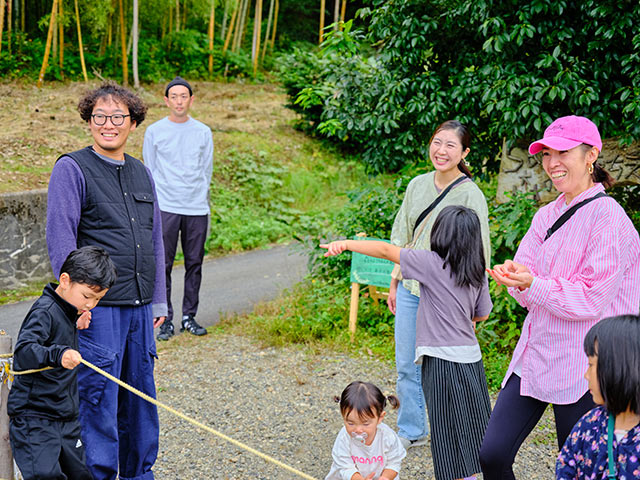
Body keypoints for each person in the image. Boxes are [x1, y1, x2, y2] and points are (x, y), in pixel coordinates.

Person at [480, 115, 640, 479]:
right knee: (492, 455)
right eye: (547, 154)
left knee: (579, 469)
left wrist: (532, 283)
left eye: (563, 152)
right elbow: (527, 284)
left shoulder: (609, 218)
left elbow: (590, 298)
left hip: (587, 364)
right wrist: (517, 281)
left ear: (591, 155)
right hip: (537, 353)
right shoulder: (545, 216)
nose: (552, 163)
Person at [46, 81, 168, 480]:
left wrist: (159, 300)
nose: (108, 124)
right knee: (96, 400)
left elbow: (154, 241)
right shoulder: (72, 168)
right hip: (97, 311)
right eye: (100, 116)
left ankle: (139, 475)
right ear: (89, 121)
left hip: (139, 309)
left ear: (133, 123)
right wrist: (73, 305)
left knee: (140, 400)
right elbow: (61, 238)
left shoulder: (142, 173)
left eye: (118, 116)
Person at [322, 204, 493, 480]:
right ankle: (474, 475)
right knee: (473, 425)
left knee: (445, 429)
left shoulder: (431, 263)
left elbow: (386, 251)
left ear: (441, 235)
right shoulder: (477, 272)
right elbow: (482, 314)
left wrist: (345, 244)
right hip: (472, 361)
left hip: (441, 362)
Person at [388, 120, 491, 449]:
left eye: (450, 145)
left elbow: (479, 253)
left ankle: (451, 432)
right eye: (437, 142)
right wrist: (394, 282)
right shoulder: (417, 185)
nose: (441, 150)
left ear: (464, 153)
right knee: (406, 363)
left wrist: (472, 306)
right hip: (410, 288)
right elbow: (401, 236)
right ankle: (411, 429)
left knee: (445, 368)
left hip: (447, 296)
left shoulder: (471, 194)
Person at [8, 246, 117, 480]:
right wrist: (59, 354)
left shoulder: (70, 310)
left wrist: (77, 315)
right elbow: (24, 352)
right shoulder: (44, 311)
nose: (91, 305)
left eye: (97, 299)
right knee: (45, 475)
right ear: (65, 280)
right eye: (87, 296)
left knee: (80, 474)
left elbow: (69, 318)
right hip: (35, 418)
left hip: (65, 416)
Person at [143, 76, 214, 340]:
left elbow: (207, 169)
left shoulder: (203, 131)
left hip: (196, 206)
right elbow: (149, 168)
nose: (179, 101)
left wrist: (197, 194)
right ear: (166, 101)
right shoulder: (155, 131)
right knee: (164, 263)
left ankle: (189, 316)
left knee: (194, 262)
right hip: (166, 206)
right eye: (174, 96)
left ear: (191, 100)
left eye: (184, 96)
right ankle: (165, 318)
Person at [556, 315, 640, 479]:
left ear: (619, 369)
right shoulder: (589, 424)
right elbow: (565, 467)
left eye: (591, 365)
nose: (586, 375)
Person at [325, 381, 406, 480]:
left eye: (365, 424)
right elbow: (344, 466)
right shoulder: (344, 438)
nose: (358, 430)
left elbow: (394, 462)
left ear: (380, 417)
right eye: (350, 423)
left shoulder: (387, 436)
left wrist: (385, 477)